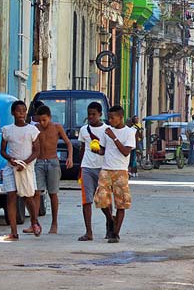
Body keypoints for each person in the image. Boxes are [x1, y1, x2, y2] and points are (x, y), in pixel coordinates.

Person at [0, 100, 41, 241]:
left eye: (23, 111)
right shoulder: (7, 130)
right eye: (18, 111)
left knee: (27, 196)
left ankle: (34, 221)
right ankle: (13, 231)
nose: (21, 114)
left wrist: (26, 163)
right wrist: (10, 159)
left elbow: (37, 151)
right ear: (13, 113)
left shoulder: (32, 130)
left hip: (26, 168)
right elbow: (2, 151)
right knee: (11, 197)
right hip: (11, 167)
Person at [94, 105, 135, 243]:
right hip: (106, 168)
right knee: (101, 199)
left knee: (121, 203)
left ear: (121, 117)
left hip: (121, 170)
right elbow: (104, 150)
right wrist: (96, 150)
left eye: (113, 118)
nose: (110, 120)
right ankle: (111, 220)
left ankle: (115, 233)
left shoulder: (129, 132)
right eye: (109, 118)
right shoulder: (107, 131)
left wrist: (114, 138)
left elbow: (125, 152)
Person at [31, 104, 73, 234]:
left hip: (53, 162)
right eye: (40, 120)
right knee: (37, 192)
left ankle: (54, 223)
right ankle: (35, 223)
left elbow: (68, 143)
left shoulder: (57, 127)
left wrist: (70, 157)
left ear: (49, 117)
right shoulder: (35, 129)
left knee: (53, 193)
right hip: (39, 162)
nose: (42, 123)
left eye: (45, 120)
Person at [77, 101, 108, 241]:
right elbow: (82, 149)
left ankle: (110, 223)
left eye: (94, 114)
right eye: (89, 114)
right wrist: (79, 168)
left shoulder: (107, 130)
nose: (91, 117)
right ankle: (88, 232)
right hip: (87, 168)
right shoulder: (84, 130)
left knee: (104, 201)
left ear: (100, 114)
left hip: (103, 168)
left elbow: (110, 151)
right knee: (86, 200)